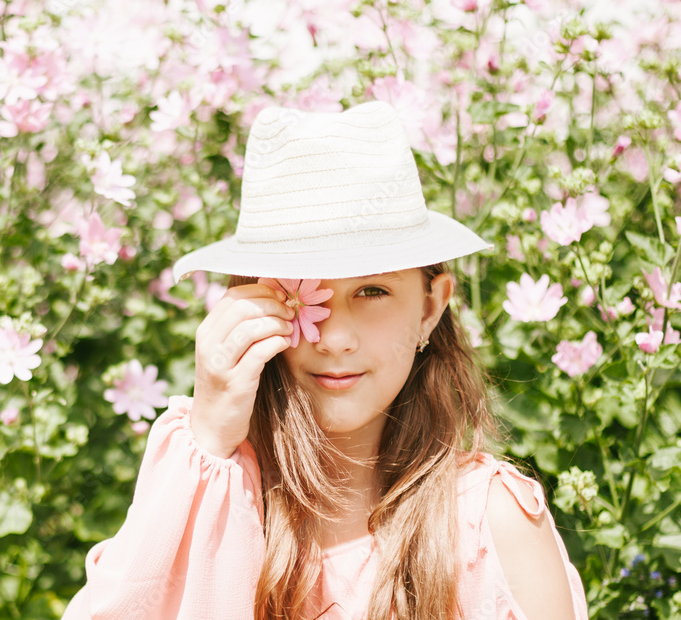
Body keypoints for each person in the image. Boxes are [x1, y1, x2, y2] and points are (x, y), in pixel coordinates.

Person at [62, 101, 588, 619]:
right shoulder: (218, 498)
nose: (334, 338)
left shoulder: (489, 526)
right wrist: (206, 436)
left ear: (431, 307)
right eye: (301, 293)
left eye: (373, 290)